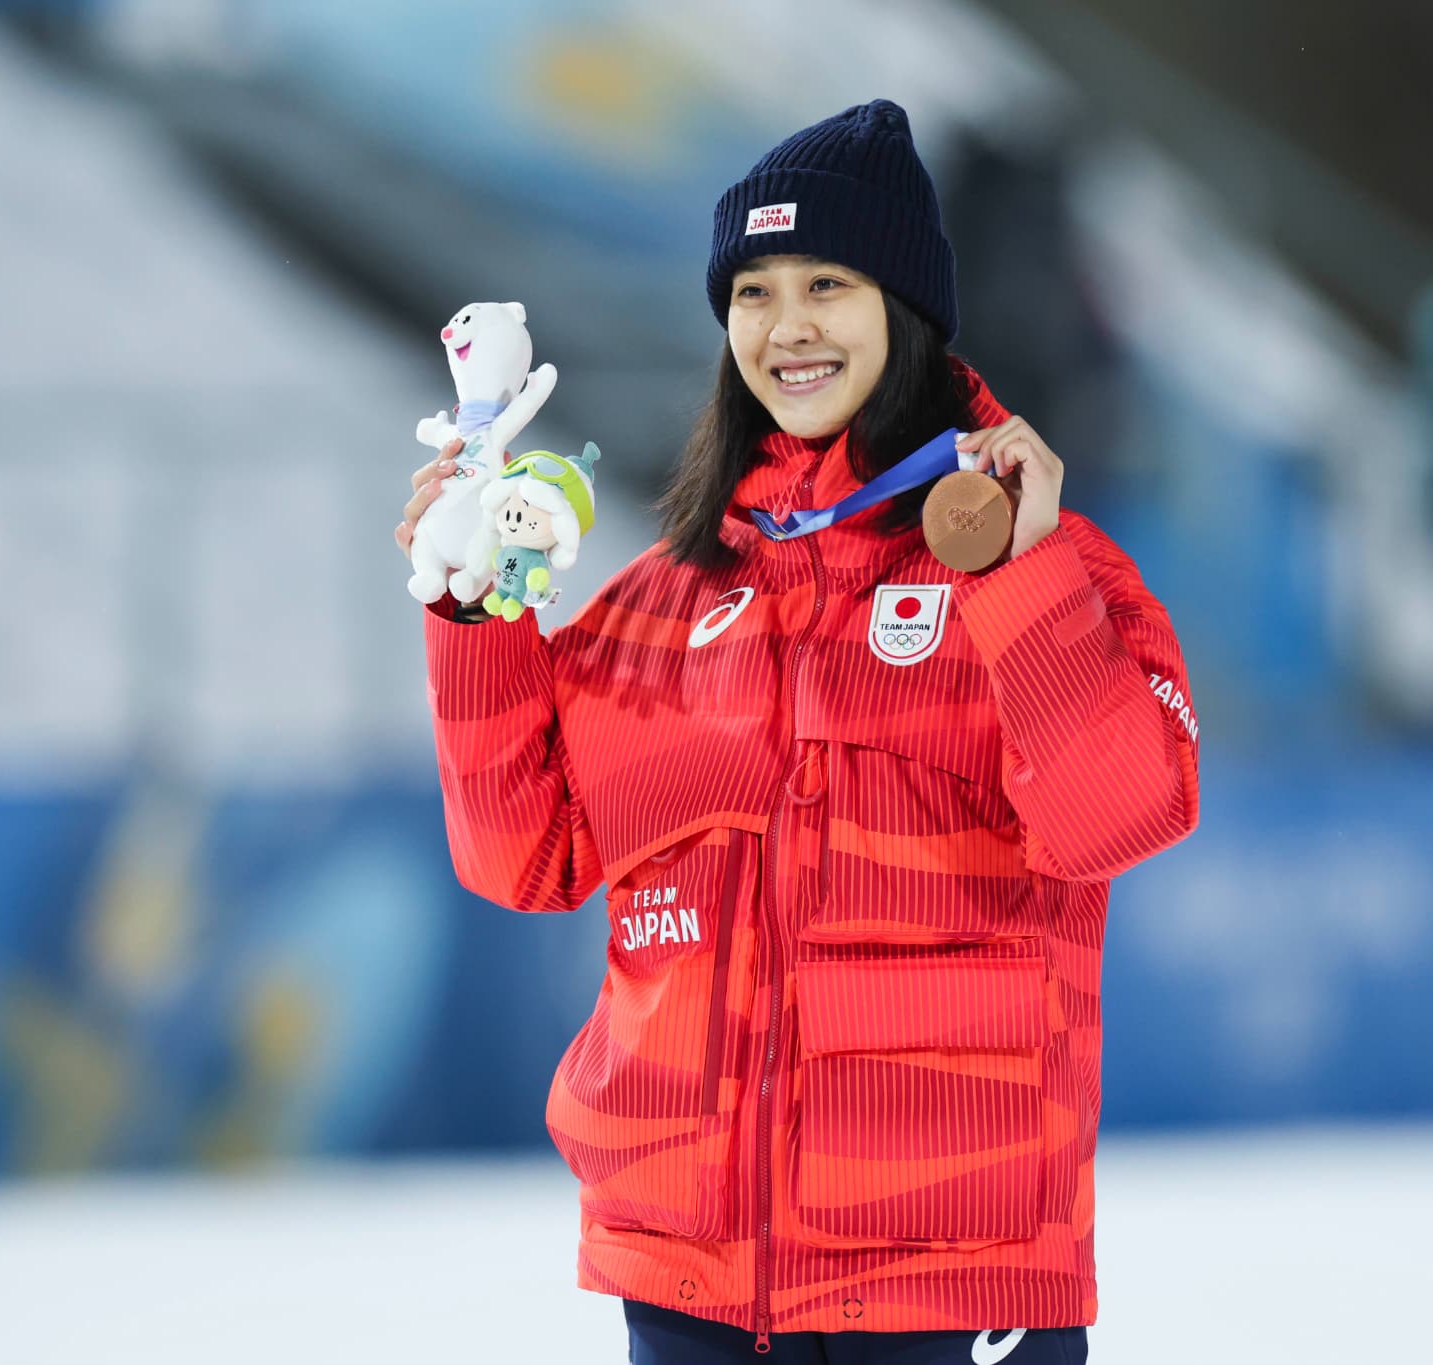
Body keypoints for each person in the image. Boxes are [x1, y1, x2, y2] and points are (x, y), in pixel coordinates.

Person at [395, 99, 1198, 1364]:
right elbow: (523, 854)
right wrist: (475, 607)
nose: (788, 327)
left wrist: (1018, 574)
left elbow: (1121, 813)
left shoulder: (1043, 566)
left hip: (953, 1274)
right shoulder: (665, 601)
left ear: (905, 307)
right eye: (753, 293)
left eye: (828, 283)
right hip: (690, 1282)